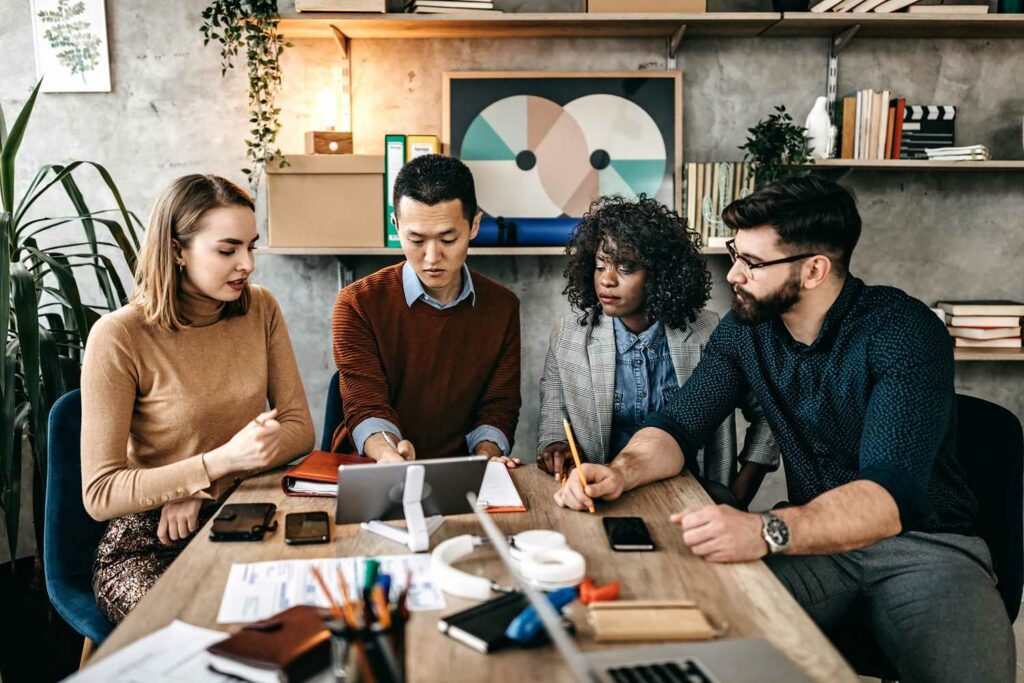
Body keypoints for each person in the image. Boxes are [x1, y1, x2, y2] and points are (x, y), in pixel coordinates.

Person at [553, 176, 1014, 682]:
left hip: (927, 549)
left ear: (814, 269)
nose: (733, 274)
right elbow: (679, 424)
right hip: (810, 549)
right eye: (736, 253)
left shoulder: (902, 330)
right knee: (687, 644)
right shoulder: (747, 329)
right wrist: (622, 471)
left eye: (752, 262)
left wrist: (765, 529)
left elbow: (889, 497)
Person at [81, 174, 315, 623]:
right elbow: (100, 492)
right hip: (149, 541)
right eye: (228, 250)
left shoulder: (261, 308)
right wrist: (212, 466)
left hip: (245, 514)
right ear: (176, 250)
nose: (247, 263)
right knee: (207, 629)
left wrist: (210, 483)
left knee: (309, 614)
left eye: (251, 245)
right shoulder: (118, 336)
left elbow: (299, 429)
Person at [537, 195, 777, 507]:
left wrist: (738, 496)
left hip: (693, 500)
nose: (606, 280)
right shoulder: (569, 335)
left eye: (625, 267)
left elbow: (768, 415)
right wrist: (556, 447)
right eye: (599, 266)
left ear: (660, 274)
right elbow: (554, 421)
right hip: (599, 498)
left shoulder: (710, 332)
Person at [331, 154, 521, 466]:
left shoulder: (502, 307)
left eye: (448, 239)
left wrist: (485, 458)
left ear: (474, 225)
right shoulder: (357, 303)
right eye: (416, 239)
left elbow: (498, 405)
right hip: (375, 467)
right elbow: (365, 403)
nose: (432, 257)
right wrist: (390, 452)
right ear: (396, 225)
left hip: (461, 472)